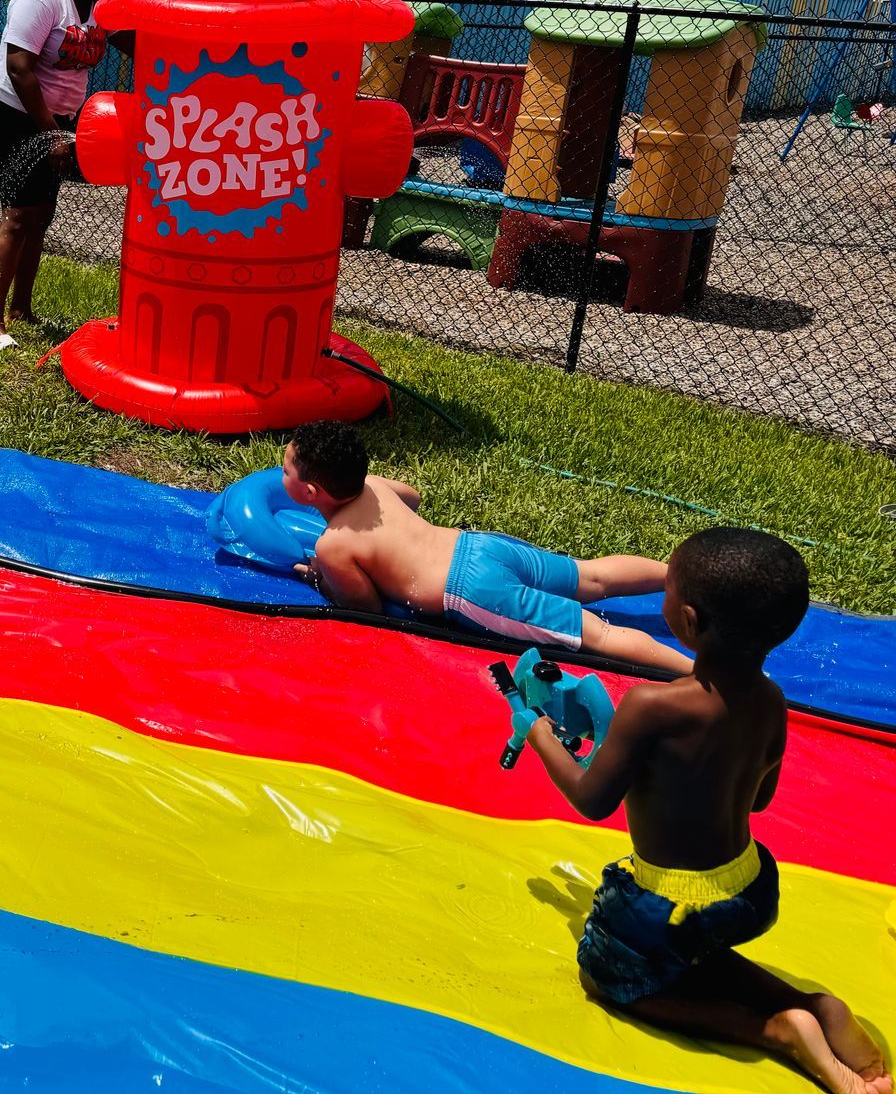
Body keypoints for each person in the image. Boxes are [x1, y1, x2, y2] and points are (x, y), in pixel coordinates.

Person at [508, 529, 888, 1094]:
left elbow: (593, 800)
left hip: (668, 904)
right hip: (751, 891)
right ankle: (812, 1005)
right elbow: (759, 799)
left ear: (688, 620)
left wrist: (539, 734)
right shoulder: (771, 701)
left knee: (607, 973)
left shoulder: (650, 707)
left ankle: (774, 1028)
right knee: (686, 948)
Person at [283, 421, 693, 674]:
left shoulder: (334, 544)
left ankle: (701, 674)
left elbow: (367, 611)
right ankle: (690, 576)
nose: (279, 473)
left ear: (310, 491)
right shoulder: (372, 485)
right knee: (593, 575)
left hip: (472, 590)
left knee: (598, 635)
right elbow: (413, 496)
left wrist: (324, 579)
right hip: (479, 546)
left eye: (284, 469)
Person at [0, 0, 140, 351]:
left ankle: (22, 309)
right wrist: (52, 135)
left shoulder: (103, 5)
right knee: (19, 215)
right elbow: (19, 69)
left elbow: (135, 43)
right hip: (16, 112)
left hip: (62, 119)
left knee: (43, 216)